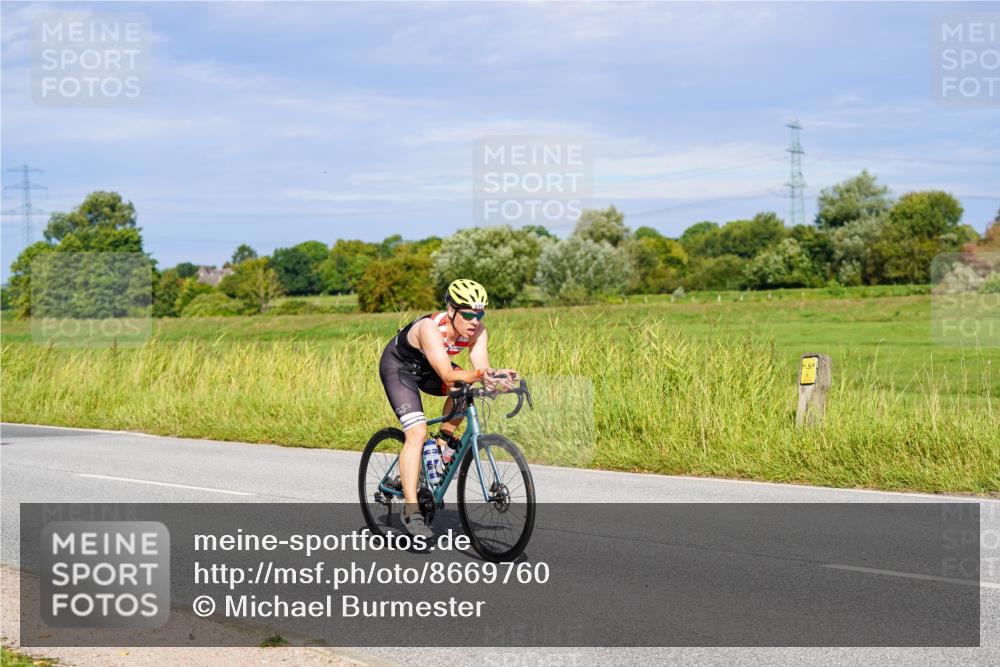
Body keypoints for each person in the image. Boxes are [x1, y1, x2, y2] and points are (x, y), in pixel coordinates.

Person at [378, 279, 519, 538]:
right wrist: (480, 375)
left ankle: (442, 444)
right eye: (468, 314)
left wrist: (498, 379)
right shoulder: (430, 328)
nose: (475, 321)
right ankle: (411, 511)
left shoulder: (478, 331)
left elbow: (481, 369)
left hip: (430, 368)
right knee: (417, 433)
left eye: (480, 313)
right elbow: (446, 373)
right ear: (452, 310)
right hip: (400, 370)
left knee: (465, 392)